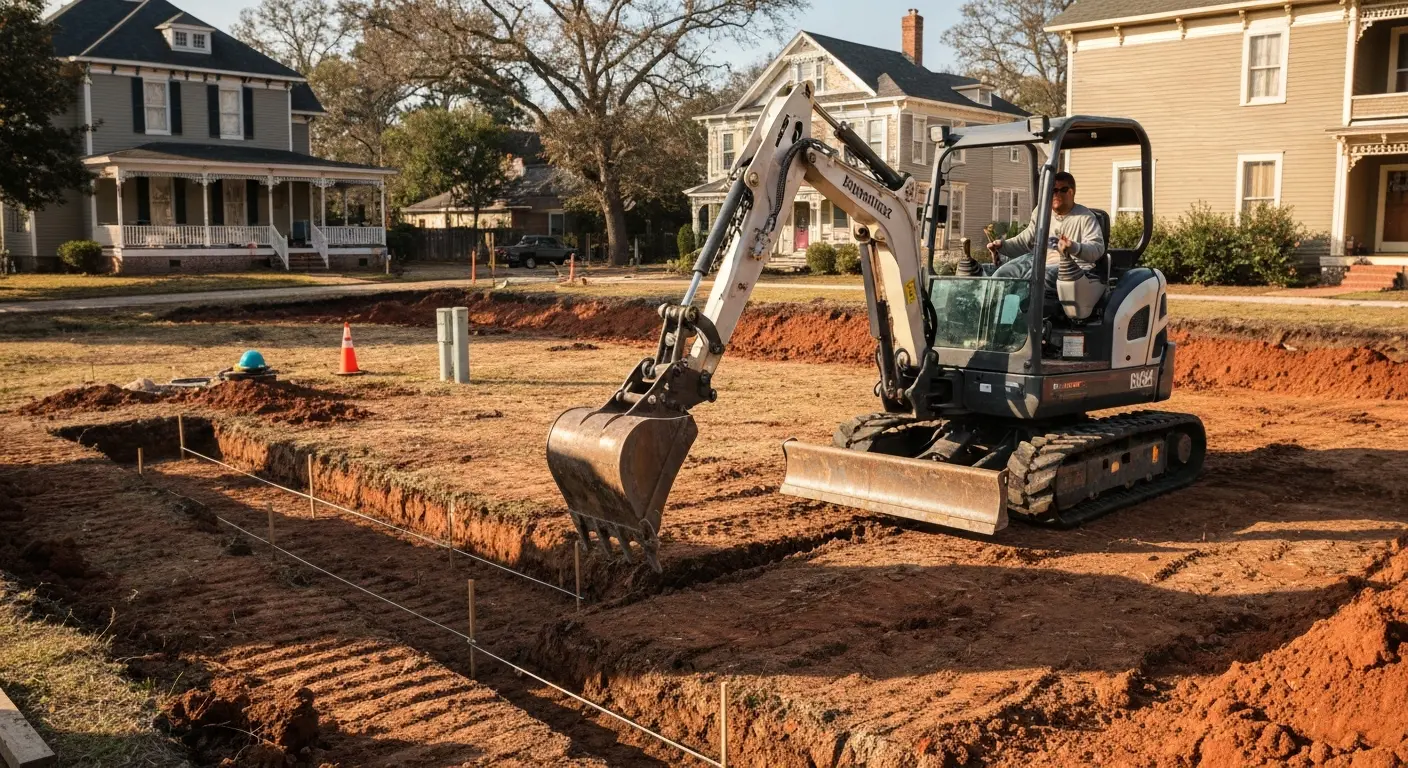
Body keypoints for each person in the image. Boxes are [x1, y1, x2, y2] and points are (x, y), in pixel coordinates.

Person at [987, 171, 1105, 284]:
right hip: (1044, 264)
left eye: (1061, 190)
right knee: (1002, 275)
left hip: (1075, 270)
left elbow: (1097, 249)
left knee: (1035, 278)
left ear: (1071, 192)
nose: (1055, 194)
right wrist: (1002, 246)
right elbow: (1025, 241)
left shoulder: (1086, 217)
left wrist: (1073, 247)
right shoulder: (1042, 212)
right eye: (1052, 190)